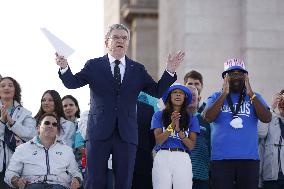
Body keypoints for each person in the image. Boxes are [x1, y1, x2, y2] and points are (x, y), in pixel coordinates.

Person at [55, 23, 185, 189]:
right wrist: (64, 67)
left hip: (127, 134)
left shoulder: (137, 69)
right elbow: (72, 83)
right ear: (106, 42)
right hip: (99, 132)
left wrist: (169, 71)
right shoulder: (94, 65)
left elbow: (157, 91)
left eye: (124, 38)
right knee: (95, 181)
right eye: (115, 37)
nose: (120, 41)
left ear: (128, 43)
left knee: (123, 182)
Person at [203, 58, 272, 189]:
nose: (236, 75)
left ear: (246, 77)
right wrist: (224, 94)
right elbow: (208, 117)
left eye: (240, 72)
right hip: (221, 159)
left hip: (249, 160)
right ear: (225, 77)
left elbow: (267, 118)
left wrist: (251, 94)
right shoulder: (215, 96)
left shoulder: (255, 97)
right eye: (231, 73)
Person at [4, 112, 82, 189]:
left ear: (57, 130)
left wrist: (77, 180)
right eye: (47, 123)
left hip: (59, 185)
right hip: (32, 185)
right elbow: (10, 173)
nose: (50, 126)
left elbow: (76, 173)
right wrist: (16, 181)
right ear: (38, 128)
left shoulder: (66, 150)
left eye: (54, 124)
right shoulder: (22, 149)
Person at [151, 84, 200, 189]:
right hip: (162, 155)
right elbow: (159, 141)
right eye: (174, 92)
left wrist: (178, 130)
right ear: (169, 96)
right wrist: (172, 125)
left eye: (181, 93)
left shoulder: (192, 118)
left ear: (185, 98)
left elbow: (191, 146)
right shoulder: (159, 115)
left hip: (183, 157)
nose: (178, 94)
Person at [0, 76, 37, 189]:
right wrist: (2, 121)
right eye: (2, 86)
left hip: (17, 166)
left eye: (10, 85)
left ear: (15, 90)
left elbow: (31, 134)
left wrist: (12, 123)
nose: (6, 88)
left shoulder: (25, 113)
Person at [258, 90, 284, 189]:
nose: (282, 103)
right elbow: (261, 133)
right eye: (280, 100)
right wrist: (270, 109)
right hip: (271, 176)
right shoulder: (270, 117)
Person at [187, 85, 211, 189]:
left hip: (201, 177)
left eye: (193, 95)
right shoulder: (174, 119)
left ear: (199, 99)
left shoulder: (206, 120)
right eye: (188, 95)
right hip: (180, 175)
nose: (191, 97)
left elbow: (211, 147)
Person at [132, 100, 155, 189]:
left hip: (143, 163)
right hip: (120, 163)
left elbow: (152, 137)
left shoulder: (148, 109)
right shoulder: (115, 106)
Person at [62, 95, 85, 182]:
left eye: (71, 105)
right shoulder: (56, 125)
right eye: (65, 106)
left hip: (82, 163)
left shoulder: (83, 124)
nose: (68, 108)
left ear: (76, 107)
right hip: (63, 164)